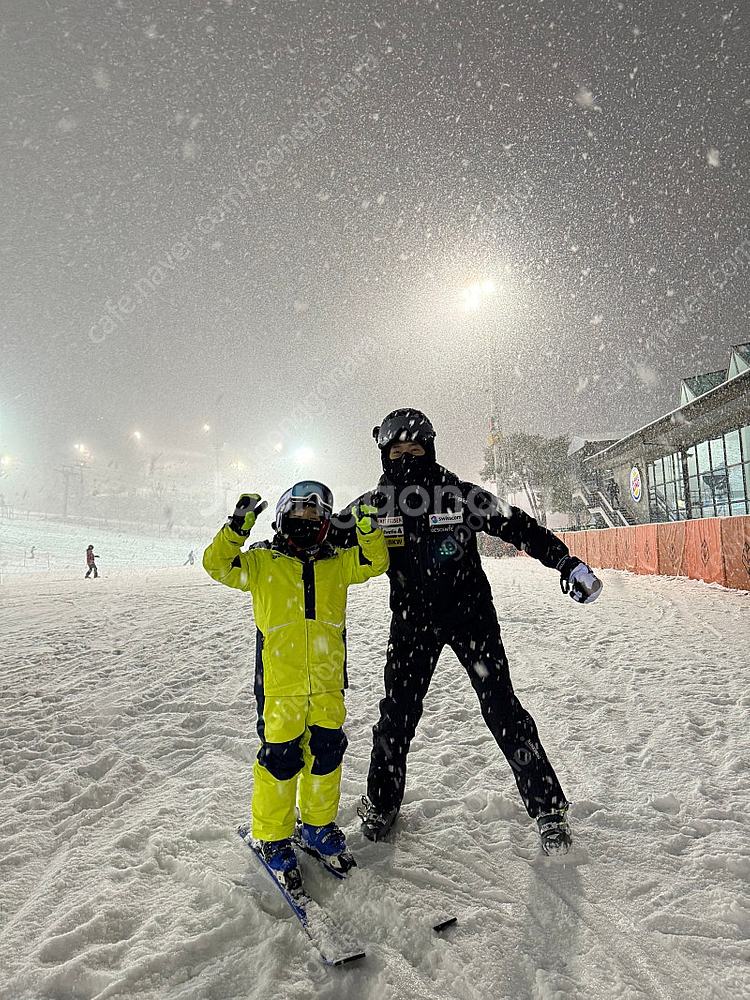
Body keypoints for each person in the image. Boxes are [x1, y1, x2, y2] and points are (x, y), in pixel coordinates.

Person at [336, 408, 602, 856]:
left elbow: (517, 525)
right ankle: (382, 804)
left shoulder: (458, 494)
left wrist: (565, 561)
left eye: (414, 450)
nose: (405, 458)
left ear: (430, 450)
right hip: (411, 625)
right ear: (384, 454)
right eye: (396, 451)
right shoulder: (375, 505)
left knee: (502, 709)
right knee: (396, 718)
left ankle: (548, 809)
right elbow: (325, 537)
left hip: (470, 617)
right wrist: (281, 545)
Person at [202, 481, 388, 890]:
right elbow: (216, 565)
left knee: (326, 755)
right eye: (298, 516)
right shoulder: (261, 562)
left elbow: (375, 564)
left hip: (326, 684)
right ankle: (272, 837)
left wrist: (368, 529)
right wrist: (236, 527)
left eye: (314, 517)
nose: (305, 524)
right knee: (280, 759)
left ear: (324, 524)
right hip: (279, 686)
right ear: (283, 518)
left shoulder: (338, 563)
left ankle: (317, 827)